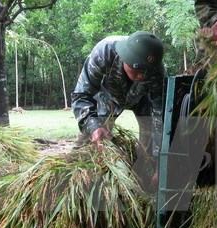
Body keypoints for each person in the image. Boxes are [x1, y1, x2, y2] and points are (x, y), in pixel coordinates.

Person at [71, 31, 165, 165]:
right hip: (109, 96)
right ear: (126, 58)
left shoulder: (157, 71)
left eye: (146, 72)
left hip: (142, 99)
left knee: (149, 146)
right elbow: (81, 94)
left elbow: (159, 115)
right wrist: (93, 126)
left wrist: (159, 161)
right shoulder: (104, 52)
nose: (142, 76)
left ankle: (142, 175)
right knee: (94, 141)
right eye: (137, 69)